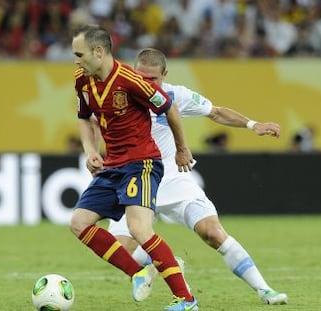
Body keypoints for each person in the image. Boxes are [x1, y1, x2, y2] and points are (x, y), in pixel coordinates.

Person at [108, 48, 288, 305]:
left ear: (165, 75)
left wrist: (252, 125)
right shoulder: (121, 96)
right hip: (136, 181)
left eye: (153, 80)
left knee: (212, 232)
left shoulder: (175, 95)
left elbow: (215, 111)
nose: (146, 85)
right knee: (119, 249)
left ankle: (264, 289)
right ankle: (165, 263)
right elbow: (91, 119)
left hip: (171, 179)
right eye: (141, 77)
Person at [69, 25, 199, 311]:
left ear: (99, 51)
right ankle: (138, 273)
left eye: (79, 54)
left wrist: (181, 148)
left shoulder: (131, 80)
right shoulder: (82, 79)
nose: (75, 60)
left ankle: (187, 300)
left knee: (138, 228)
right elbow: (83, 116)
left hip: (141, 163)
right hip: (112, 165)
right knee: (78, 223)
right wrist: (91, 151)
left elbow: (169, 108)